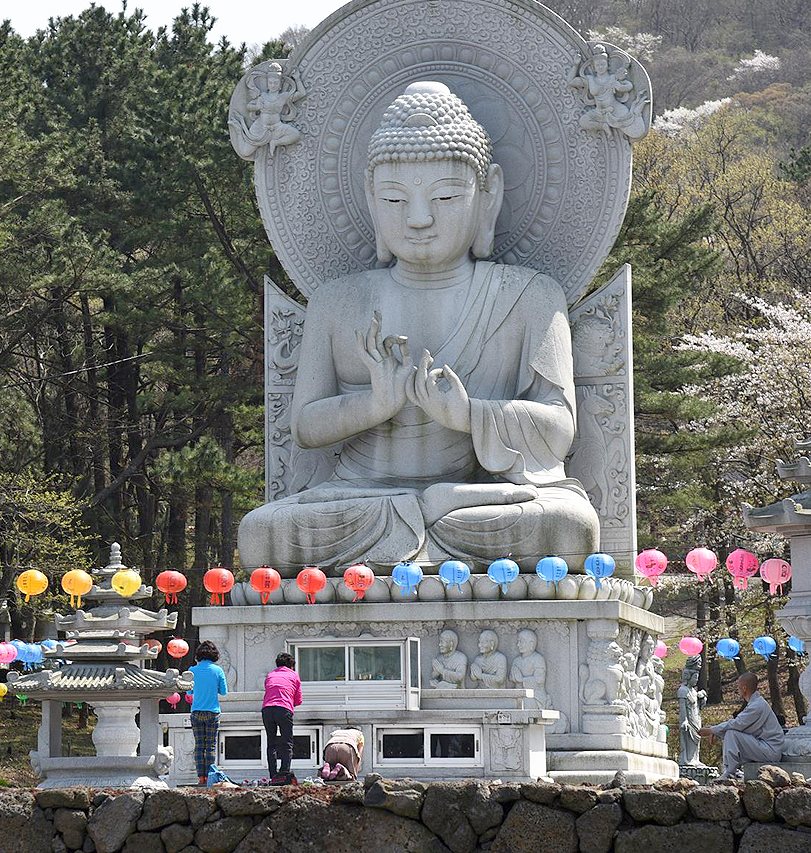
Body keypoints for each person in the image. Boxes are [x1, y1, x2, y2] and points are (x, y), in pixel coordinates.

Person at [237, 81, 600, 575]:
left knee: (568, 525)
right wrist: (373, 405)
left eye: (446, 196)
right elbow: (304, 427)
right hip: (361, 498)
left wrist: (470, 414)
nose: (419, 219)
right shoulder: (336, 301)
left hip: (478, 498)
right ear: (369, 198)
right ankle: (422, 522)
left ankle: (429, 519)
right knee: (262, 533)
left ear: (487, 194)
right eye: (393, 201)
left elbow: (559, 429)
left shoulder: (531, 296)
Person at [702, 672, 784, 779]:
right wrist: (716, 732)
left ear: (744, 688)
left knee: (732, 733)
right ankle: (732, 770)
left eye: (739, 687)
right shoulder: (755, 703)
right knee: (731, 732)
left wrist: (712, 730)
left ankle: (731, 771)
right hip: (764, 746)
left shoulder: (757, 705)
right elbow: (742, 727)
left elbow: (737, 724)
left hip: (770, 750)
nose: (738, 690)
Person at [187, 640, 228, 786]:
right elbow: (223, 692)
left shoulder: (192, 670)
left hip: (196, 711)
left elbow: (188, 691)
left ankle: (201, 778)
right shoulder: (218, 671)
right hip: (213, 711)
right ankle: (210, 776)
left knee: (199, 745)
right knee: (210, 745)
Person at [263, 652, 302, 782]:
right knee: (287, 743)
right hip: (284, 709)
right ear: (291, 665)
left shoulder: (270, 675)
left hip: (267, 709)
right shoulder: (294, 675)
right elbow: (298, 700)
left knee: (271, 743)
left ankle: (273, 776)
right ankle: (284, 774)